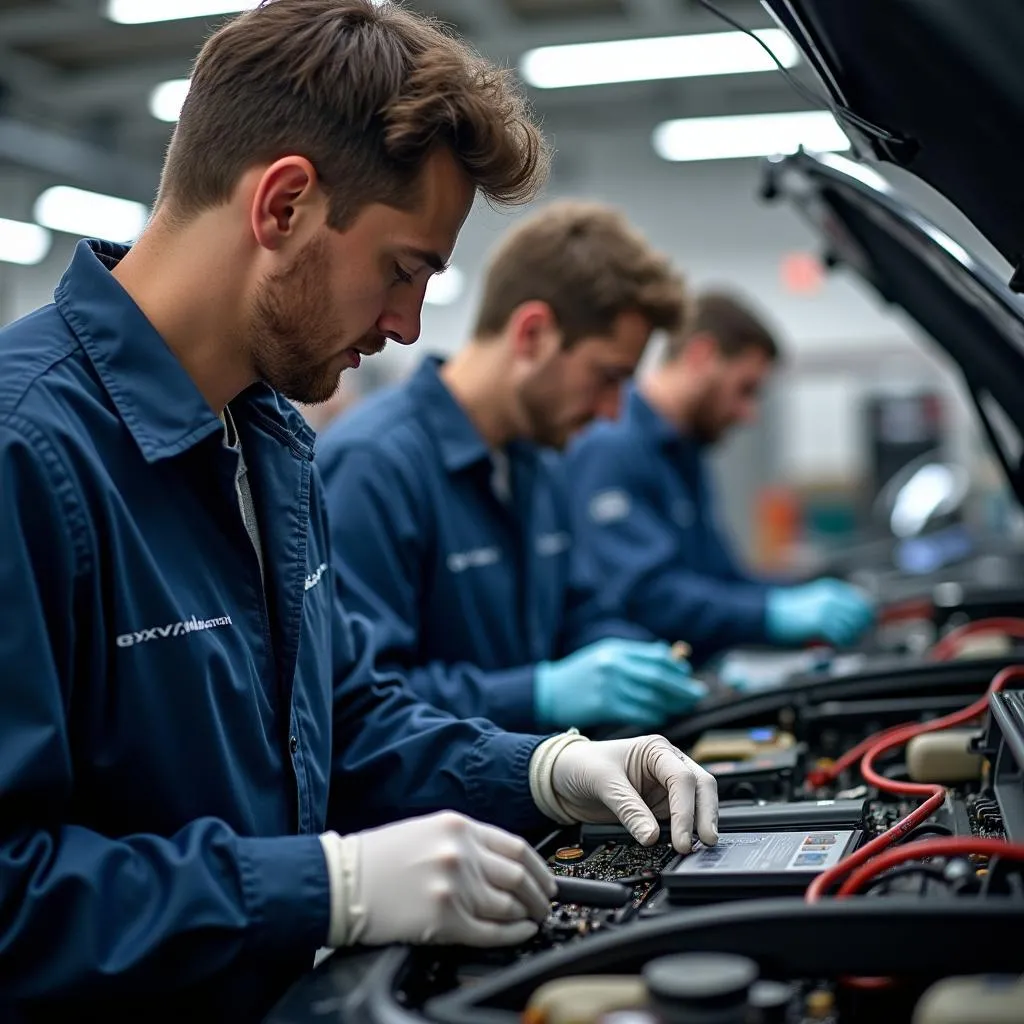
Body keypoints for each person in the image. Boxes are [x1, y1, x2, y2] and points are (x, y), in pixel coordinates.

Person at [0, 3, 718, 1021]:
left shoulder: (268, 444)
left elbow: (342, 725)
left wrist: (547, 768)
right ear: (283, 205)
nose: (407, 324)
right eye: (402, 268)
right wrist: (329, 885)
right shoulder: (25, 451)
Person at [316, 202, 708, 734]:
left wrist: (635, 657)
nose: (615, 411)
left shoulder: (535, 463)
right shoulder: (374, 467)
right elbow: (363, 705)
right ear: (533, 335)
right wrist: (538, 694)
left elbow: (576, 614)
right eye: (607, 377)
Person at [566, 289, 876, 667]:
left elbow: (721, 580)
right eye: (744, 389)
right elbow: (647, 596)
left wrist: (802, 590)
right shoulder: (612, 443)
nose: (749, 414)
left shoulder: (686, 453)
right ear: (702, 355)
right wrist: (772, 613)